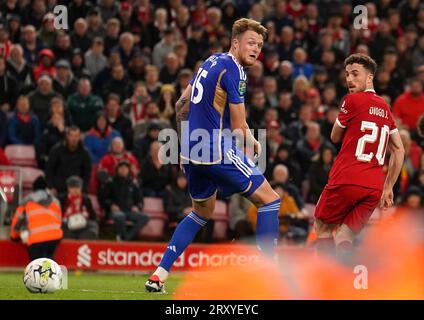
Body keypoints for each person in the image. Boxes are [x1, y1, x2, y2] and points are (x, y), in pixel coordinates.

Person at [145, 18, 280, 292]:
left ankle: (159, 274)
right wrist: (255, 143)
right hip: (215, 149)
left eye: (260, 45)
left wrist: (185, 148)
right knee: (270, 201)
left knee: (200, 212)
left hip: (193, 151)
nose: (256, 49)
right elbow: (240, 126)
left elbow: (181, 104)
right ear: (235, 43)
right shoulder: (235, 70)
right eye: (251, 43)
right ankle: (271, 277)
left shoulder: (210, 61)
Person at [313, 53, 405, 263]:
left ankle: (327, 280)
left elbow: (334, 136)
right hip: (373, 187)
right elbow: (399, 150)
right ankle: (346, 282)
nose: (349, 79)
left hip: (347, 177)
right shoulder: (384, 107)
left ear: (370, 77)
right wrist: (388, 186)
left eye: (355, 74)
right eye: (347, 74)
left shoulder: (351, 100)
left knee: (322, 226)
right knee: (345, 235)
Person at [10, 176, 63, 260]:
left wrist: (14, 236)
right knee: (49, 264)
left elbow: (17, 221)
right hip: (54, 237)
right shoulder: (55, 201)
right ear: (46, 188)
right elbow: (59, 221)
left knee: (36, 266)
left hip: (36, 239)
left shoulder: (26, 201)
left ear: (33, 188)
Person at [99, 160, 149, 241]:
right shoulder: (110, 182)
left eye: (126, 168)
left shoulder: (133, 183)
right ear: (117, 169)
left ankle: (125, 238)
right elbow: (102, 198)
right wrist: (111, 205)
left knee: (145, 217)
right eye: (121, 168)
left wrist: (137, 207)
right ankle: (125, 238)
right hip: (114, 211)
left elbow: (140, 200)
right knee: (120, 216)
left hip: (129, 211)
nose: (123, 170)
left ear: (129, 170)